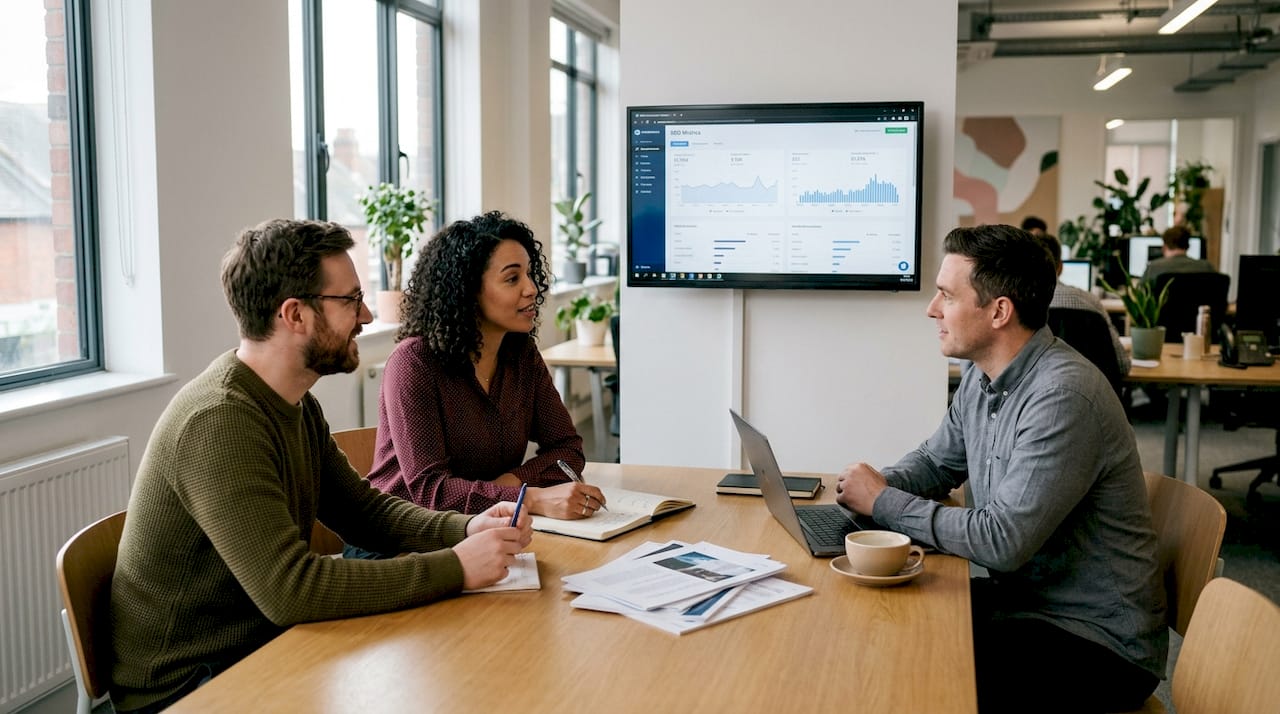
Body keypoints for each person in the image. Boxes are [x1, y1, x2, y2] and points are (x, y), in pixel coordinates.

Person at [109, 219, 532, 713]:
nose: (368, 315)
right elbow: (291, 589)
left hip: (265, 646)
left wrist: (464, 527)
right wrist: (456, 568)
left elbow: (365, 513)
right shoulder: (220, 422)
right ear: (295, 315)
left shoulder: (293, 404)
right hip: (190, 685)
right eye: (350, 301)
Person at [835, 224, 1165, 713]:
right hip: (1028, 605)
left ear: (999, 312)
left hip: (1098, 645)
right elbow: (935, 462)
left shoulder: (1061, 397)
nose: (932, 309)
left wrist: (882, 501)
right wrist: (866, 489)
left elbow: (1000, 541)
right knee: (886, 621)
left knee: (909, 666)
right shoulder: (982, 376)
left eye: (947, 295)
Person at [365, 211, 602, 521]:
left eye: (530, 274)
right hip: (402, 537)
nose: (531, 289)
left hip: (483, 523)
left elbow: (566, 448)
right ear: (467, 290)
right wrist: (526, 498)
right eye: (512, 278)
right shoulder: (414, 363)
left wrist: (510, 485)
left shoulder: (521, 355)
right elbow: (430, 491)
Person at [1036, 232, 1131, 376]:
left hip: (1038, 395)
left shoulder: (1019, 307)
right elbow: (1122, 365)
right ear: (1061, 267)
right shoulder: (1091, 302)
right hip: (1094, 393)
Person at [1142, 224, 1213, 284]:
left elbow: (1140, 294)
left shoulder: (1153, 267)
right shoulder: (1206, 267)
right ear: (1188, 246)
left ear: (1164, 247)